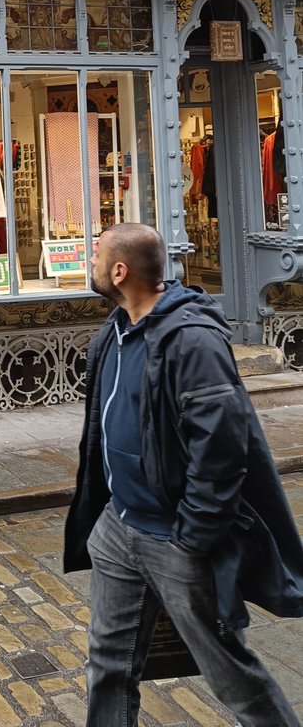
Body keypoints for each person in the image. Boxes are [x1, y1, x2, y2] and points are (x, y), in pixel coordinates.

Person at [64, 222, 303, 726]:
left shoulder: (191, 341)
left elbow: (221, 451)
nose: (90, 263)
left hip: (173, 537)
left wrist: (192, 538)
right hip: (119, 527)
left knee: (228, 671)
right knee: (108, 662)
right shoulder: (115, 331)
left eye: (97, 257)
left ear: (121, 270)